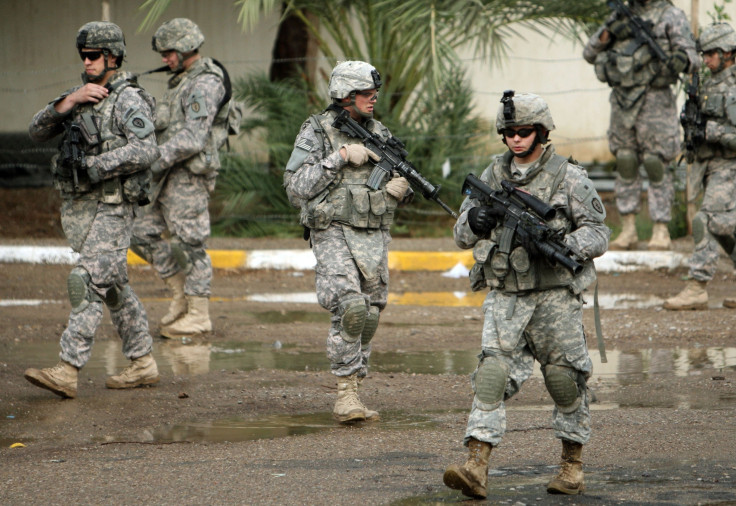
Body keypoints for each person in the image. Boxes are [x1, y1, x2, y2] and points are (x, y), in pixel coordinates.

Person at [442, 92, 610, 498]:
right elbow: (461, 233)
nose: (516, 139)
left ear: (541, 132)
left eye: (525, 132)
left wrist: (565, 243)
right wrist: (476, 220)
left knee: (563, 378)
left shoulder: (567, 176)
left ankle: (572, 465)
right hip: (506, 296)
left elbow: (599, 232)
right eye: (510, 132)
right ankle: (476, 465)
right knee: (491, 375)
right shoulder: (493, 175)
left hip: (553, 296)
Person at [24, 22, 160, 398]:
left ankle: (68, 369)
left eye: (94, 56)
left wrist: (96, 166)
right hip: (84, 208)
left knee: (85, 280)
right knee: (113, 287)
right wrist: (67, 102)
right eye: (83, 56)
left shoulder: (129, 99)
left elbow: (148, 150)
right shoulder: (82, 95)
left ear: (113, 57)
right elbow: (36, 130)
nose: (87, 62)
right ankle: (143, 362)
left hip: (115, 205)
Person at [283, 61, 412, 423]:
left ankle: (356, 382)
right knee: (351, 309)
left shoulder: (380, 132)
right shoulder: (317, 130)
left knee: (369, 315)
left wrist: (401, 189)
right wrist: (338, 158)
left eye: (375, 93)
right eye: (366, 94)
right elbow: (295, 189)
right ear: (346, 95)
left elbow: (402, 177)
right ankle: (345, 393)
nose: (374, 100)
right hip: (333, 229)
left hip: (372, 232)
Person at [131, 18, 234, 338]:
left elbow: (192, 138)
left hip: (188, 174)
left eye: (168, 52)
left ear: (187, 47)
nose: (164, 58)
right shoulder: (182, 80)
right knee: (139, 231)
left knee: (191, 243)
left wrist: (153, 160)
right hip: (167, 173)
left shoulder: (205, 82)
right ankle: (180, 296)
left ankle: (199, 314)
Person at [583, 0, 700, 251]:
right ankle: (628, 230)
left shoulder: (670, 15)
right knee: (625, 160)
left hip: (655, 99)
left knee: (654, 162)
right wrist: (611, 31)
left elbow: (693, 57)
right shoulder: (619, 15)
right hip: (623, 100)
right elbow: (590, 53)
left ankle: (660, 229)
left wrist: (679, 59)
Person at [664, 23, 736, 310]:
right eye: (704, 54)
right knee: (724, 228)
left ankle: (697, 287)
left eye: (710, 54)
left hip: (730, 167)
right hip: (711, 165)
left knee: (705, 221)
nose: (705, 60)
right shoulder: (711, 83)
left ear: (727, 52)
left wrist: (711, 132)